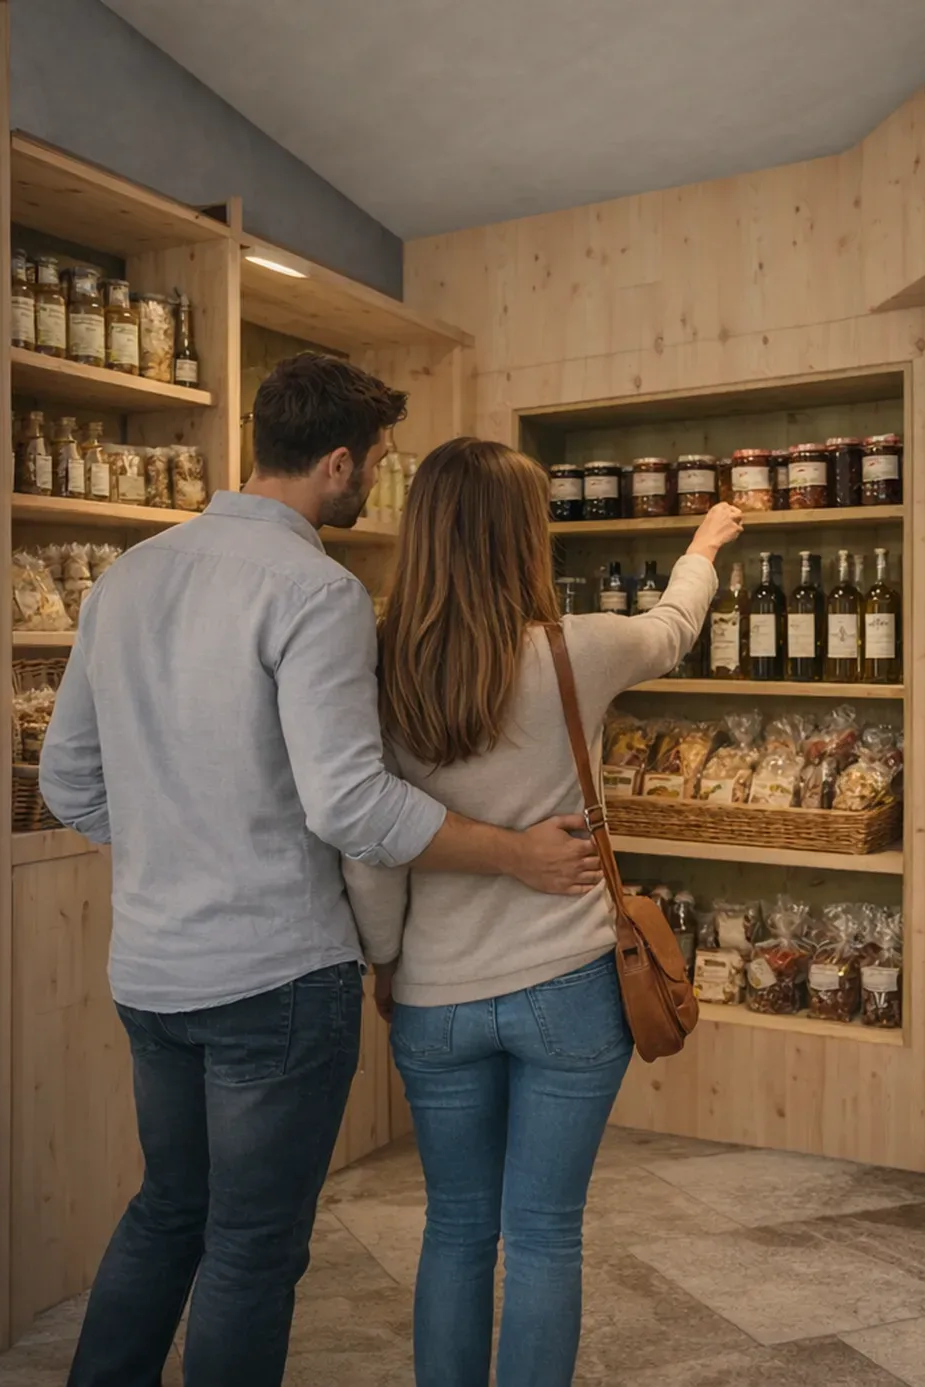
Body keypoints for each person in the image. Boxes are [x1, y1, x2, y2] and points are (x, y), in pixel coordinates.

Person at [38, 356, 600, 1387]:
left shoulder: (128, 575)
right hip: (273, 978)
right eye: (376, 465)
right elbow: (352, 806)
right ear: (337, 462)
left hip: (152, 970)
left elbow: (68, 779)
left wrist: (181, 842)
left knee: (169, 1210)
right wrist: (515, 852)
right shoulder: (315, 589)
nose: (375, 485)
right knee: (251, 1248)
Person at [347, 437, 742, 1387]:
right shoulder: (577, 648)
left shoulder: (379, 665)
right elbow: (674, 625)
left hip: (435, 994)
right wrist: (704, 543)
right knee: (544, 1236)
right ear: (525, 537)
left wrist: (389, 962)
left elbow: (371, 846)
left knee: (453, 1230)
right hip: (570, 988)